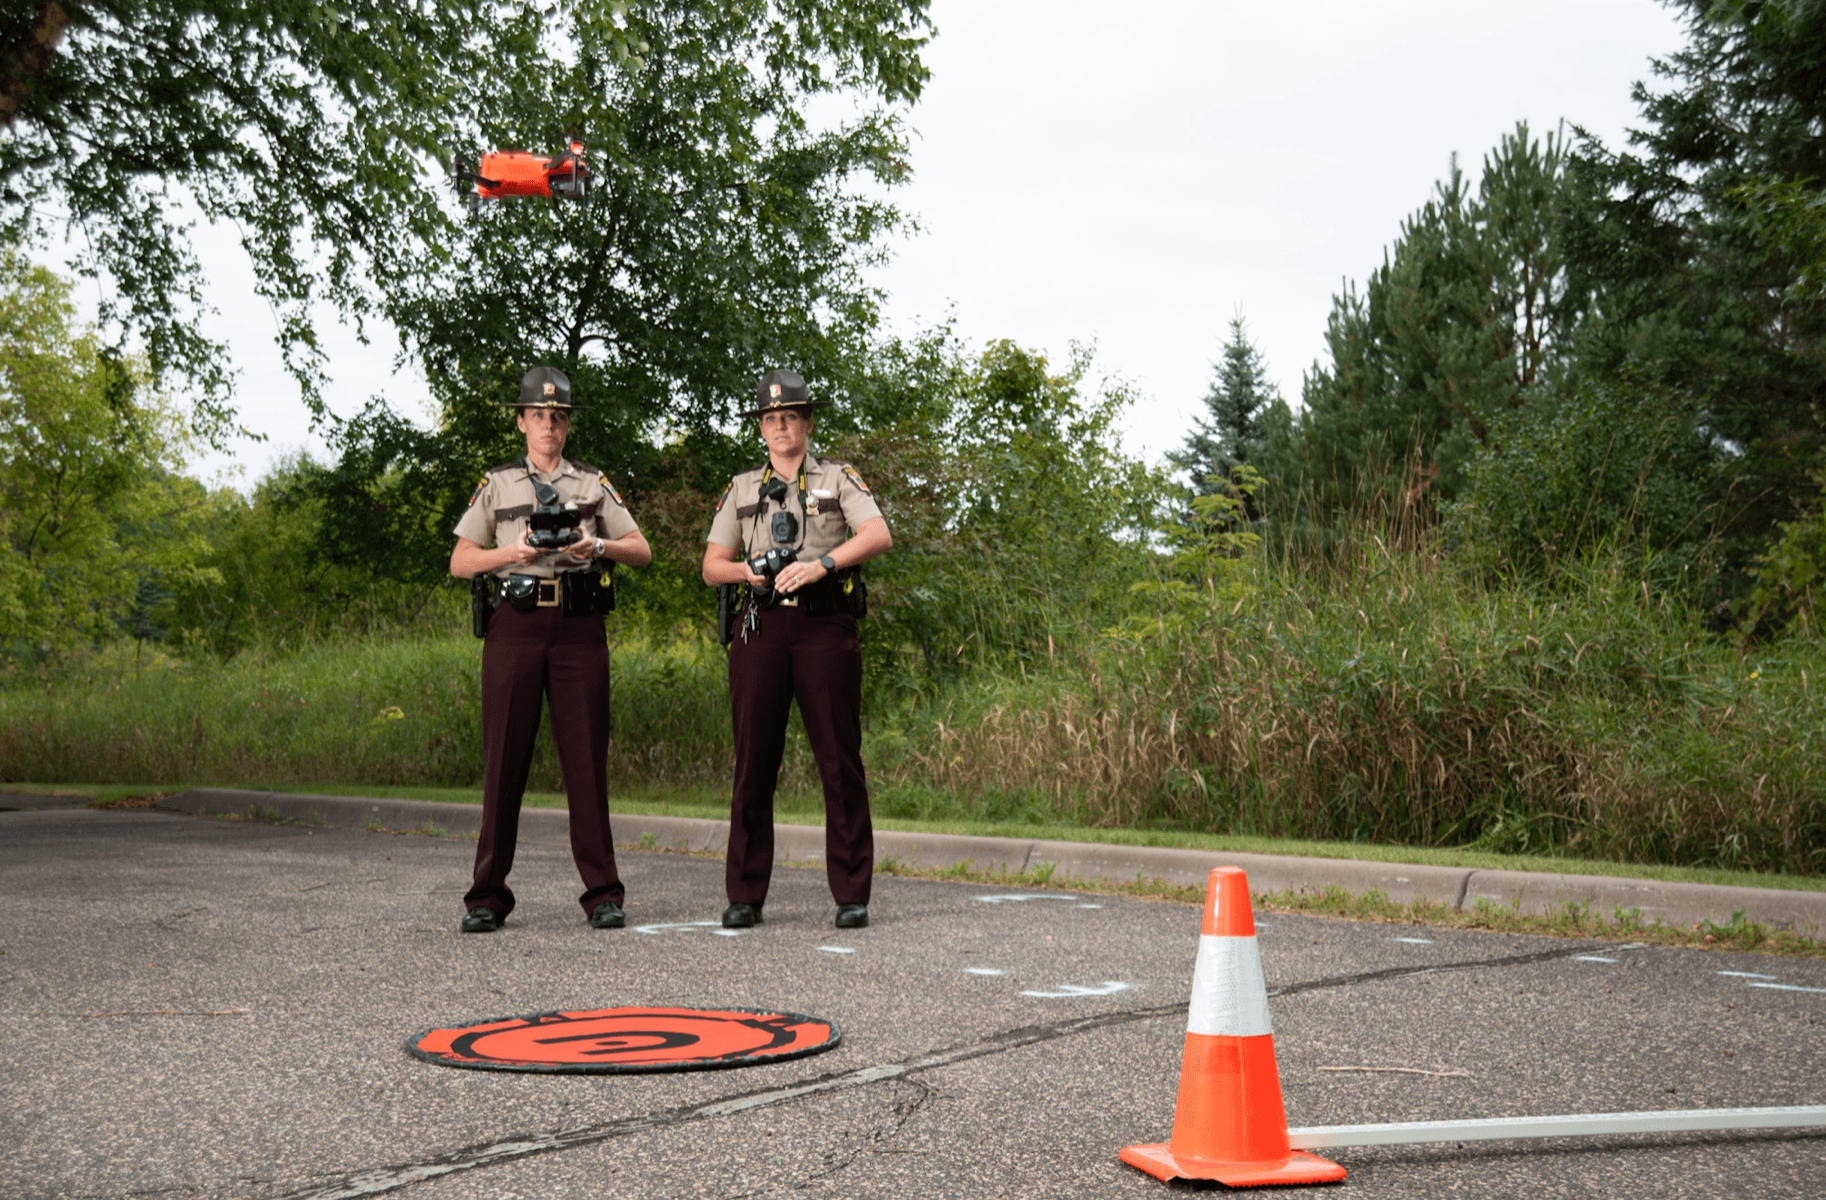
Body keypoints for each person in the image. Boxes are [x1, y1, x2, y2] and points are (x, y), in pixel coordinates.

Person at [448, 366, 652, 934]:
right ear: (521, 421)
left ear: (567, 425)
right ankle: (486, 896)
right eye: (538, 415)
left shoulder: (591, 483)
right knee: (504, 760)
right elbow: (460, 560)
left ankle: (603, 894)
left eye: (558, 417)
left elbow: (642, 550)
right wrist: (507, 554)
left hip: (578, 624)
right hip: (514, 623)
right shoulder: (497, 484)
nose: (549, 426)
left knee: (586, 761)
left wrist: (599, 544)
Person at [701, 368, 893, 930]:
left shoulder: (838, 478)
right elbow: (711, 567)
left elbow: (878, 533)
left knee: (839, 758)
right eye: (770, 418)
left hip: (824, 624)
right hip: (760, 625)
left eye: (790, 416)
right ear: (761, 428)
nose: (781, 426)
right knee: (753, 761)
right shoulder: (742, 488)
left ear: (807, 423)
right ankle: (744, 894)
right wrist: (748, 571)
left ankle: (852, 893)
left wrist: (822, 564)